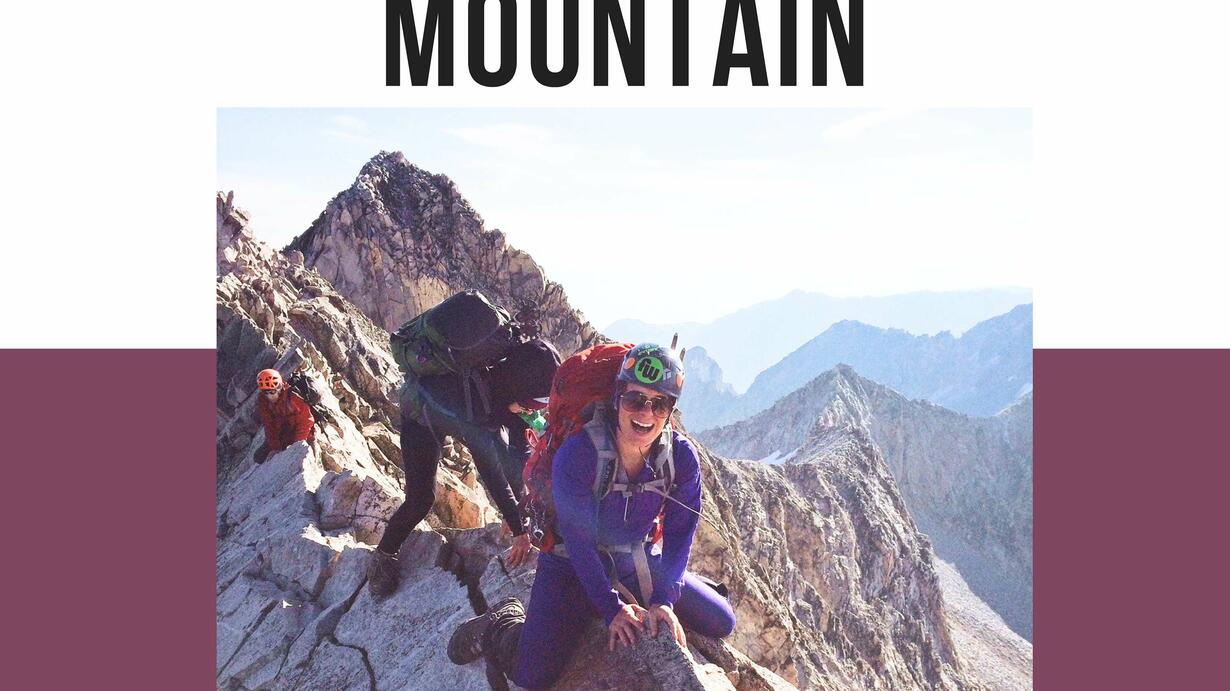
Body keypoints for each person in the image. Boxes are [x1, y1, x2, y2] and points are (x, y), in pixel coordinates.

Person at [446, 343, 737, 690]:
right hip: (569, 564)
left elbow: (681, 530)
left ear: (671, 410)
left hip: (635, 558)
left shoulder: (680, 457)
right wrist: (611, 607)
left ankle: (679, 584)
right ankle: (502, 624)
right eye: (635, 400)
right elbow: (578, 540)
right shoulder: (580, 453)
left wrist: (664, 598)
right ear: (617, 397)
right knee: (532, 676)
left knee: (722, 621)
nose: (646, 413)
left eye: (659, 403)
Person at [367, 336, 562, 598]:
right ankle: (382, 557)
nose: (531, 411)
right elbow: (492, 472)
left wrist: (519, 512)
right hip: (422, 414)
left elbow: (517, 459)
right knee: (421, 499)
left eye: (538, 407)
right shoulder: (480, 410)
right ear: (519, 391)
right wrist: (519, 530)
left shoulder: (506, 392)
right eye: (531, 405)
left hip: (453, 410)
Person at [254, 368, 314, 463]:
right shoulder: (263, 400)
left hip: (300, 431)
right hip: (283, 432)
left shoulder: (293, 397)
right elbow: (269, 425)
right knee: (259, 457)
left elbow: (306, 421)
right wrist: (275, 448)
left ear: (279, 388)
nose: (270, 396)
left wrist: (296, 444)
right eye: (266, 393)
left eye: (272, 392)